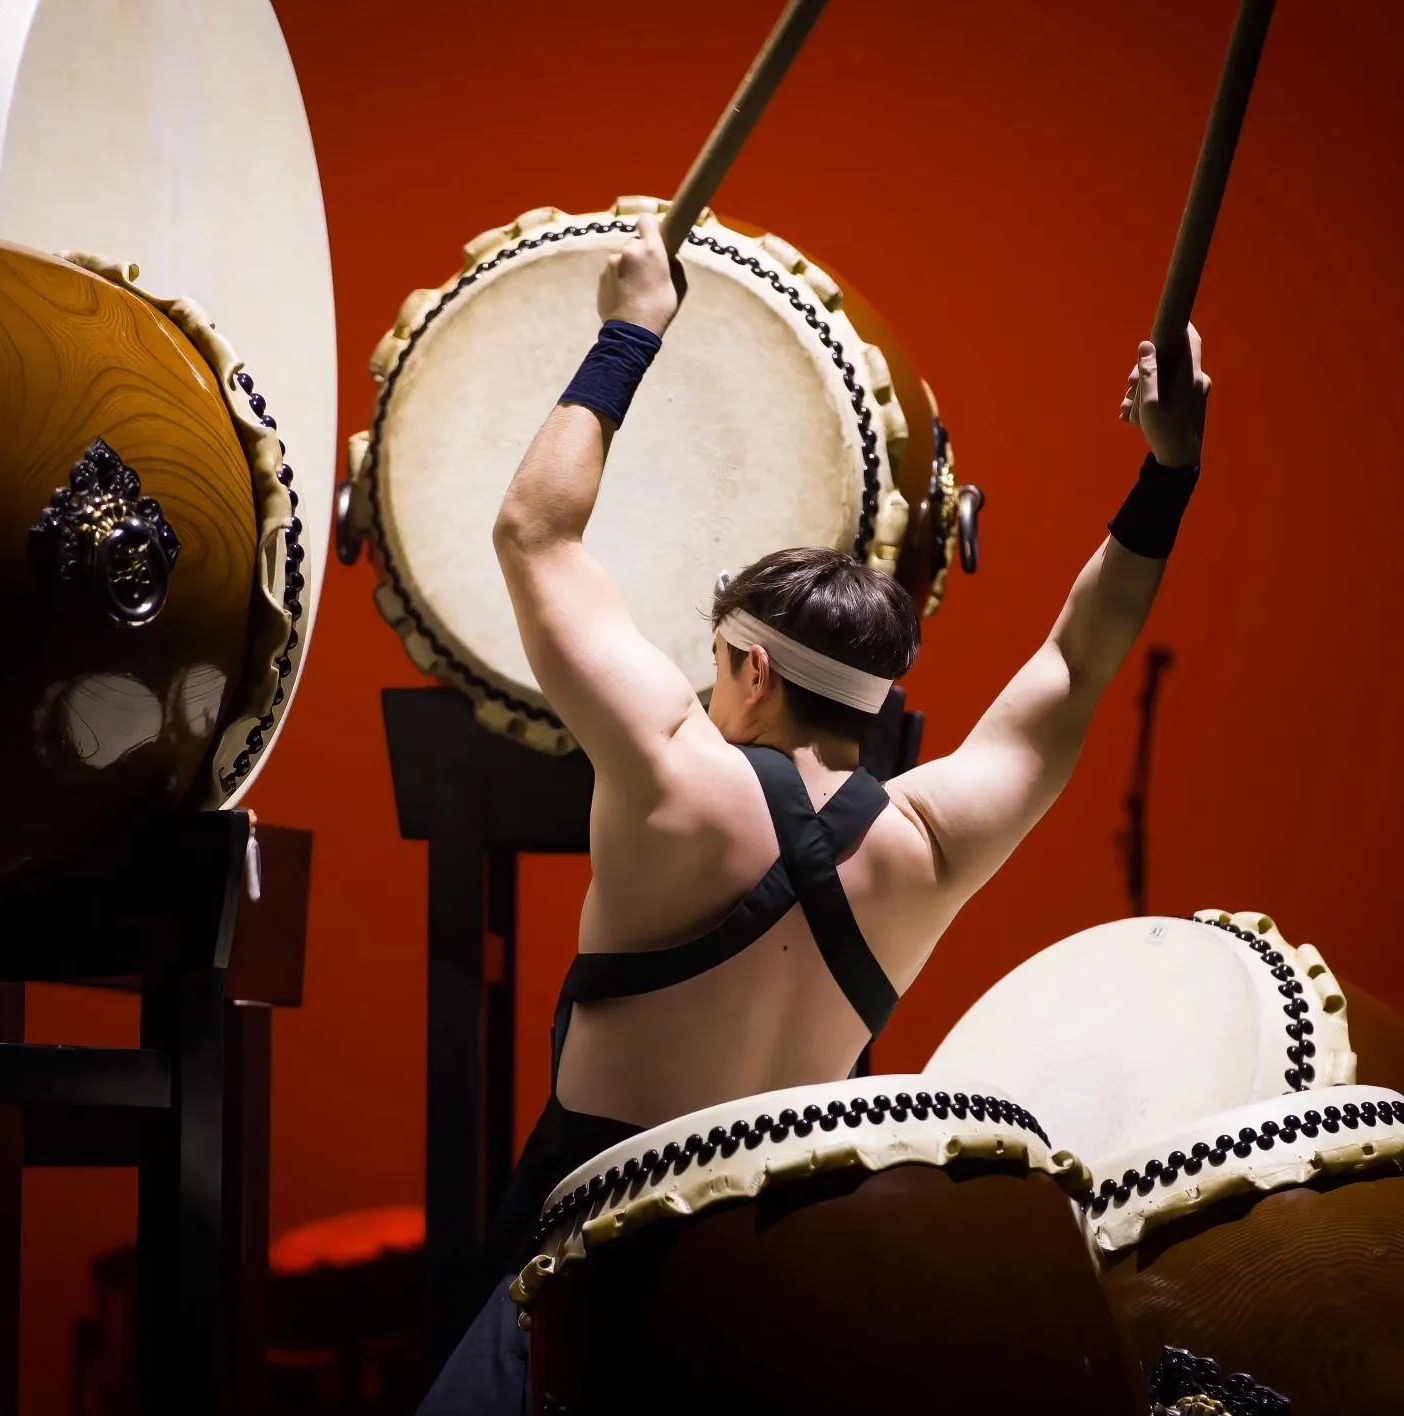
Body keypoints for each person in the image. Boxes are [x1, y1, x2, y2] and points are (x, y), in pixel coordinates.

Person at [418, 214, 1210, 1413]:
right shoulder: (931, 843)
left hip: (601, 1252)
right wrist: (1171, 470)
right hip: (792, 1279)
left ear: (750, 669)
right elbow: (1077, 658)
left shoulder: (671, 769)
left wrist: (631, 328)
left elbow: (533, 531)